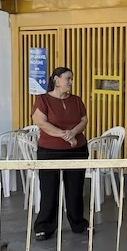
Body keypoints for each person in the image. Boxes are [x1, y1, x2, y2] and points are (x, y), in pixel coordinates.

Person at [31, 67, 89, 241]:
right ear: (56, 80)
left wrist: (73, 133)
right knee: (49, 189)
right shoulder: (43, 99)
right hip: (50, 151)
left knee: (75, 190)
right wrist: (64, 135)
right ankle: (44, 227)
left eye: (71, 79)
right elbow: (41, 122)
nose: (70, 82)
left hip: (77, 150)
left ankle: (79, 224)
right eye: (67, 78)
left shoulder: (76, 100)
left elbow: (84, 120)